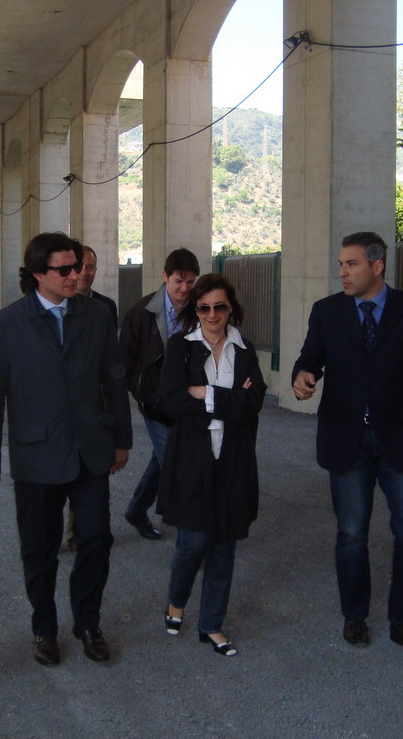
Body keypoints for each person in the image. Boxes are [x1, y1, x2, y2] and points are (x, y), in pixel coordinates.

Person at [0, 231, 132, 666]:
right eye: (64, 269)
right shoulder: (7, 324)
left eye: (77, 266)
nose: (75, 275)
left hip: (90, 451)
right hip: (36, 456)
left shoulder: (97, 316)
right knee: (39, 550)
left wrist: (122, 439)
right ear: (38, 274)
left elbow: (113, 380)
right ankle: (44, 628)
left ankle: (88, 622)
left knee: (95, 540)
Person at [291, 231, 403, 659]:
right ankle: (354, 614)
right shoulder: (327, 312)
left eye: (351, 264)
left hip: (398, 435)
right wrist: (303, 376)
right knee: (352, 533)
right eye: (341, 264)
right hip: (346, 439)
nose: (342, 272)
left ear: (377, 266)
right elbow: (310, 357)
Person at [157, 274, 265, 656]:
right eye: (204, 307)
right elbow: (171, 400)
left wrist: (203, 393)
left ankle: (212, 625)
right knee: (193, 542)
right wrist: (229, 400)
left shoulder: (244, 350)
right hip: (192, 458)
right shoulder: (180, 347)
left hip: (233, 459)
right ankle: (176, 600)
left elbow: (253, 404)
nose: (212, 314)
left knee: (224, 545)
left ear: (231, 307)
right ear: (196, 310)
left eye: (219, 306)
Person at [119, 248, 200, 540]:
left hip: (188, 404)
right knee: (178, 468)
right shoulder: (141, 313)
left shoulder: (199, 310)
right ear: (165, 276)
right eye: (179, 281)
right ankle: (192, 538)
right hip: (155, 406)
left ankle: (136, 509)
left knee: (162, 459)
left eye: (190, 282)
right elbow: (126, 360)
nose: (184, 288)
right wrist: (143, 393)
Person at [65, 244, 119, 553]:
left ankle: (80, 531)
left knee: (88, 471)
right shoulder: (57, 305)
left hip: (95, 407)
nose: (87, 273)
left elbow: (111, 362)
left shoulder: (105, 308)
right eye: (82, 266)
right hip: (64, 405)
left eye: (92, 267)